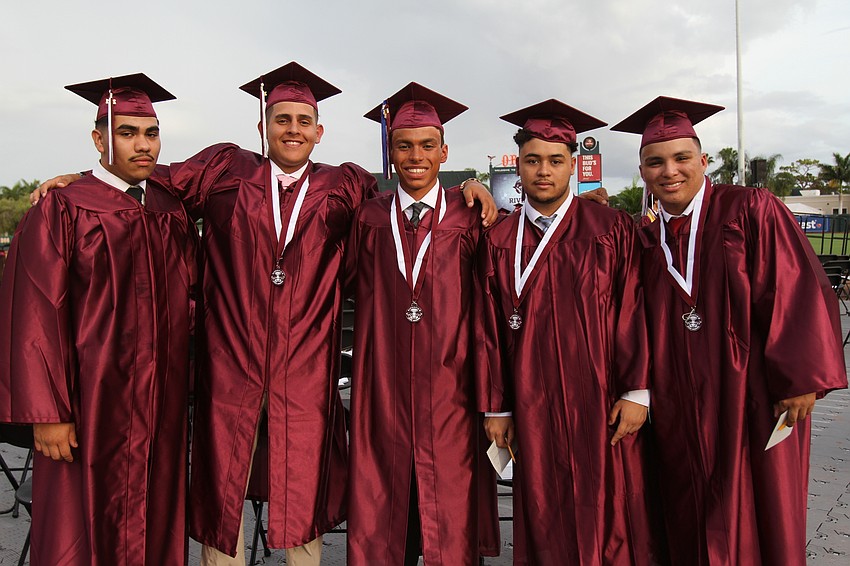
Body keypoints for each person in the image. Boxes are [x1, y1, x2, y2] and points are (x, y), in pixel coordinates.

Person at [611, 96, 848, 566]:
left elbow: (792, 286)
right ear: (642, 171)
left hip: (752, 395)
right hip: (680, 402)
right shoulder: (647, 238)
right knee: (689, 506)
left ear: (703, 161)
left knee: (759, 509)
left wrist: (800, 378)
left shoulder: (749, 209)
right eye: (655, 162)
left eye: (681, 158)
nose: (669, 171)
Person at [0, 74, 196, 565]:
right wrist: (49, 414)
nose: (142, 144)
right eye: (127, 132)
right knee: (79, 529)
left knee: (154, 523)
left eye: (150, 132)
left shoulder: (169, 211)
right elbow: (34, 314)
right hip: (88, 406)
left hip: (159, 408)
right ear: (98, 139)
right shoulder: (62, 208)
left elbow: (190, 300)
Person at [478, 99, 665, 565]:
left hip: (600, 398)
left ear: (572, 165)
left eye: (556, 160)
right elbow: (487, 330)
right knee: (544, 507)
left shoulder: (611, 229)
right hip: (530, 401)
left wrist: (638, 390)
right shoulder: (497, 240)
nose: (544, 171)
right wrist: (497, 405)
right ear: (517, 165)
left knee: (610, 512)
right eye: (533, 160)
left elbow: (633, 308)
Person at [345, 83, 500, 566]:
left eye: (427, 145)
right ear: (390, 152)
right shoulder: (369, 216)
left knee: (447, 512)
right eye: (405, 145)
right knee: (383, 509)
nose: (416, 156)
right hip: (383, 388)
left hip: (451, 388)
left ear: (444, 151)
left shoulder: (471, 215)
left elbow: (495, 296)